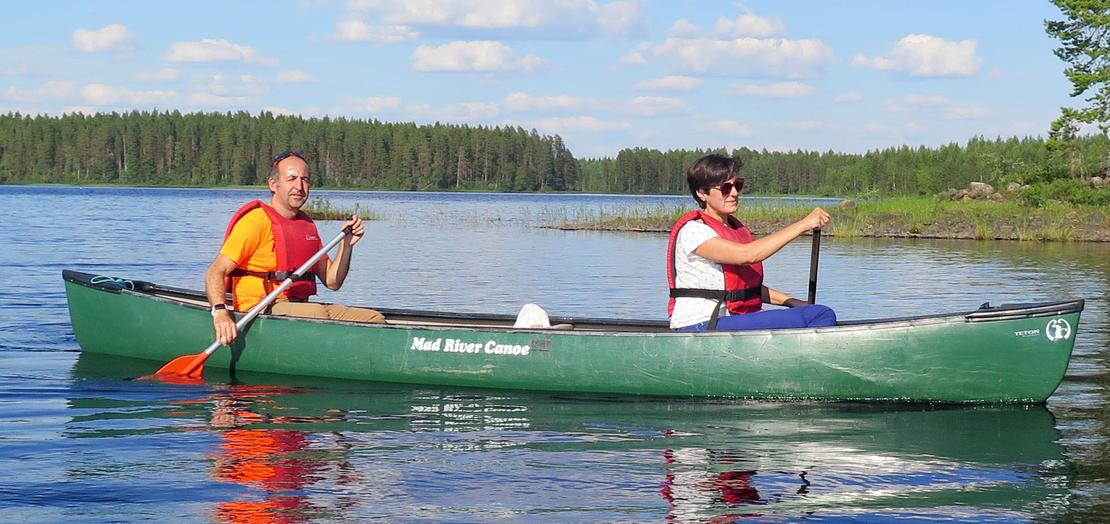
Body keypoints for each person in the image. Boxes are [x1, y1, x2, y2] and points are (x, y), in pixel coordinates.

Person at [206, 150, 384, 345]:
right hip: (261, 308)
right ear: (273, 184)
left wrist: (346, 246)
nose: (299, 186)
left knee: (374, 319)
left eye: (305, 180)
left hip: (300, 307)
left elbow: (332, 281)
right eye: (292, 179)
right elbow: (215, 272)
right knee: (316, 314)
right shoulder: (256, 221)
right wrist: (220, 312)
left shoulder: (306, 226)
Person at [667, 154, 837, 331]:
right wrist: (803, 224)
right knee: (821, 315)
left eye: (737, 185)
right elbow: (748, 255)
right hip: (698, 324)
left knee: (811, 312)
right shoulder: (694, 231)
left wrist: (792, 302)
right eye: (725, 188)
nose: (734, 193)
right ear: (702, 193)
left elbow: (748, 289)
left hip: (726, 322)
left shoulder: (733, 229)